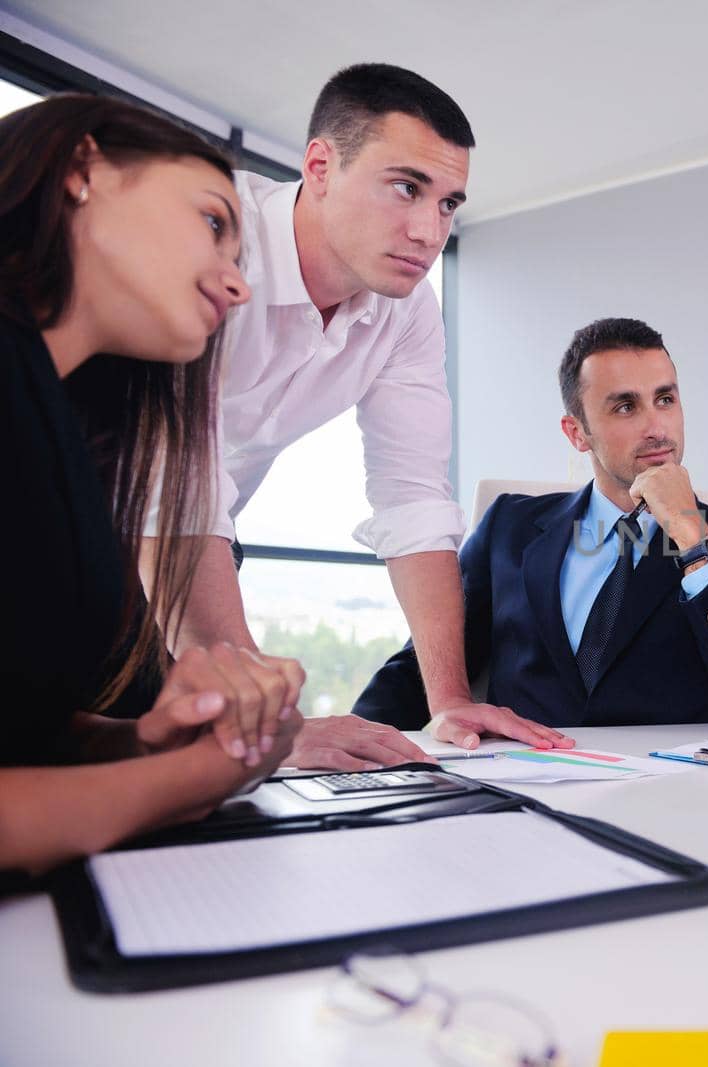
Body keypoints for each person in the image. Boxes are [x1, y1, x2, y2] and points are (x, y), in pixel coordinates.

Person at [144, 63, 490, 772]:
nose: (430, 232)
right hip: (83, 514)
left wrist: (449, 701)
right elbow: (168, 474)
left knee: (191, 773)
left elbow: (415, 497)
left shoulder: (409, 313)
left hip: (198, 538)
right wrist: (276, 725)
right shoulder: (211, 235)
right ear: (320, 165)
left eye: (449, 203)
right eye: (406, 187)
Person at [1, 95, 305, 876]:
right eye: (213, 223)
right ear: (82, 170)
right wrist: (188, 777)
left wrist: (149, 736)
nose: (237, 288)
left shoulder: (65, 437)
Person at [351, 317, 708, 744]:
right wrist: (350, 743)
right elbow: (428, 663)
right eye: (625, 407)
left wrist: (694, 542)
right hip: (520, 783)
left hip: (667, 799)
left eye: (665, 400)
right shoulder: (511, 525)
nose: (656, 427)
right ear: (577, 433)